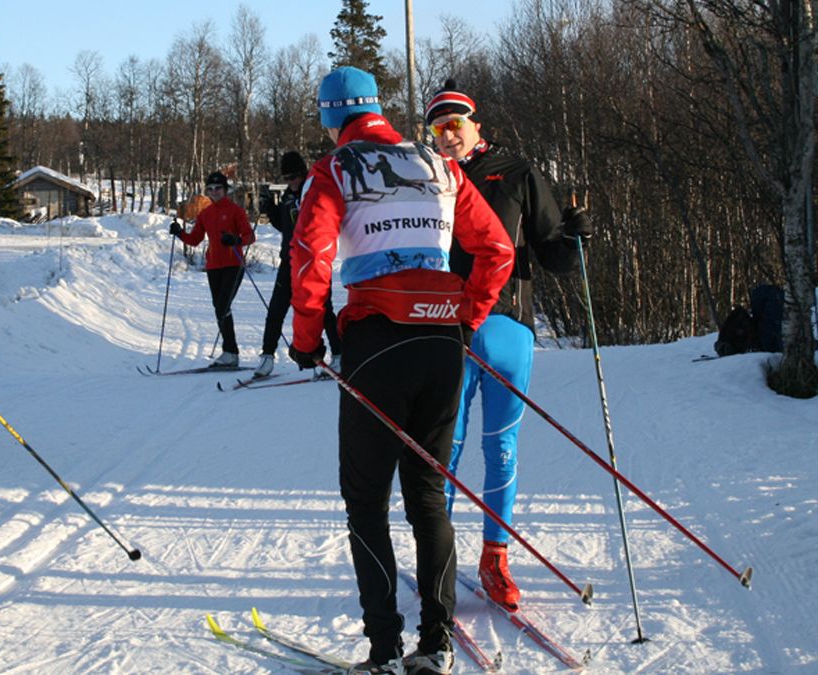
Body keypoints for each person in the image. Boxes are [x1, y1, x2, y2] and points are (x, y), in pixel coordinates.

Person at [289, 67, 514, 675]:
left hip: (377, 339)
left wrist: (307, 340)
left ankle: (385, 648)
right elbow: (497, 249)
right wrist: (466, 318)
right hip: (440, 340)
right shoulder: (440, 163)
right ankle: (437, 642)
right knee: (427, 496)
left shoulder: (334, 169)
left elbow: (311, 256)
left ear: (332, 117)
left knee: (367, 501)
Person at [426, 80, 592, 611]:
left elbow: (553, 255)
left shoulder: (516, 172)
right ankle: (438, 559)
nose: (447, 135)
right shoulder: (428, 179)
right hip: (446, 328)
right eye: (438, 127)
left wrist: (574, 238)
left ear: (476, 125)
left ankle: (494, 558)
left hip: (507, 326)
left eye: (455, 124)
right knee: (443, 451)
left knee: (501, 449)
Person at [254, 152, 342, 379]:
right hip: (289, 260)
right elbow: (285, 225)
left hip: (313, 260)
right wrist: (268, 207)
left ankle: (338, 355)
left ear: (303, 174)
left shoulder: (312, 191)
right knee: (276, 309)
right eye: (287, 178)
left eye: (295, 177)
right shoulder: (288, 195)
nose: (291, 182)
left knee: (322, 308)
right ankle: (267, 356)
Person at [169, 171, 255, 367]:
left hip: (234, 264)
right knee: (219, 308)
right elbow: (195, 240)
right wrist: (179, 233)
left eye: (218, 188)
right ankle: (230, 353)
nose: (214, 192)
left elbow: (250, 236)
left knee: (223, 305)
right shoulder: (205, 214)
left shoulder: (235, 211)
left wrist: (236, 240)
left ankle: (231, 352)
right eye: (210, 189)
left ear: (225, 190)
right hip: (214, 266)